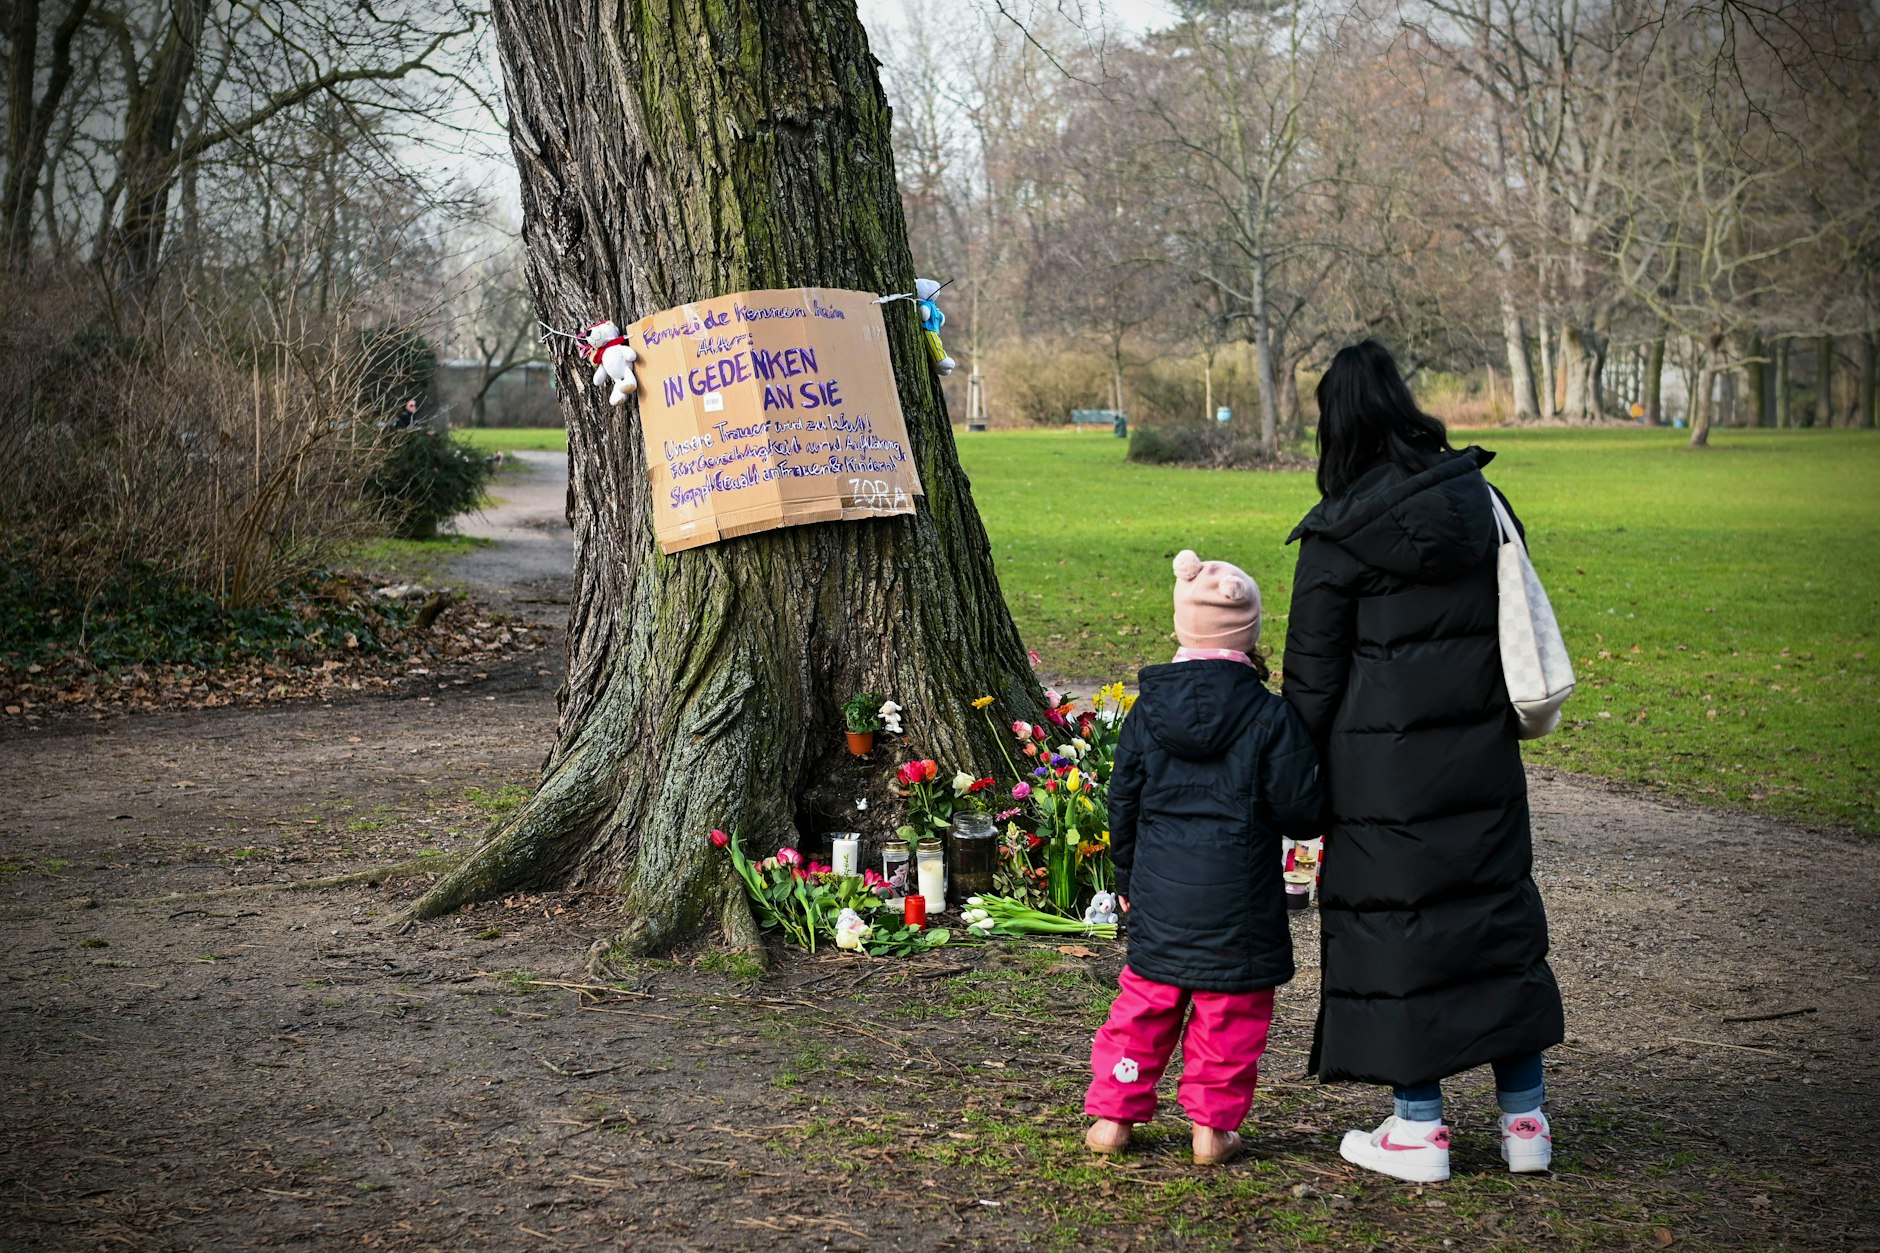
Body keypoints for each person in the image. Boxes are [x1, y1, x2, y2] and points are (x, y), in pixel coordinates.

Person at [1282, 339, 1564, 1183]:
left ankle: (1420, 1128)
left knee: (1401, 933)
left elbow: (1311, 681)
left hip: (1380, 779)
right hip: (1481, 757)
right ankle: (1526, 1123)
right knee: (1492, 924)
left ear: (1337, 425)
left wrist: (1294, 791)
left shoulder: (1337, 535)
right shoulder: (1481, 499)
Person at [1085, 549, 1323, 1167]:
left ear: (1181, 630)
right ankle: (1211, 1131)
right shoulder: (1272, 715)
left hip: (1161, 888)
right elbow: (1301, 812)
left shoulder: (1147, 714)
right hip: (1240, 897)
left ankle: (1113, 1116)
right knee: (1229, 1013)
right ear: (1249, 635)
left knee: (1143, 1005)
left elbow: (1124, 802)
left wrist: (1127, 877)